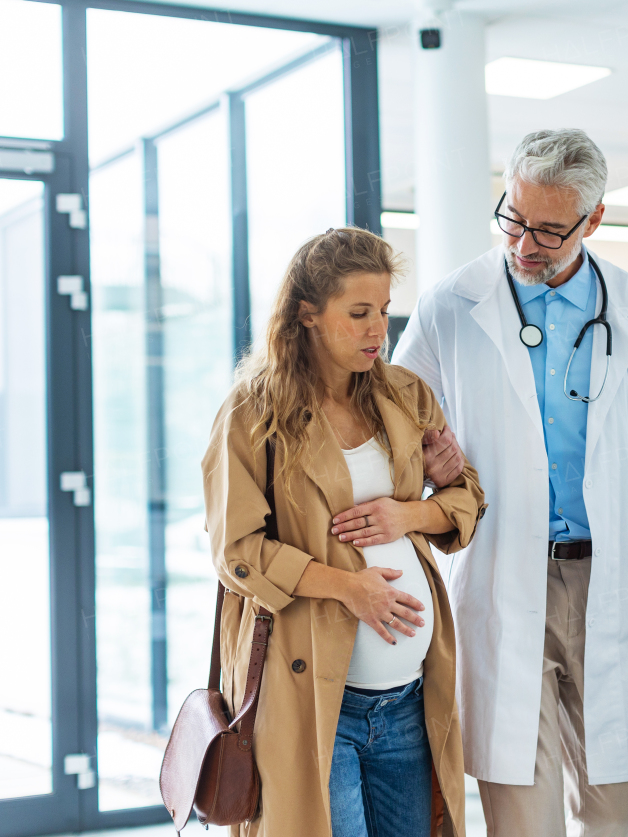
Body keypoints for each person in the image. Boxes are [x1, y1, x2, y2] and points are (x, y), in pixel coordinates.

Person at [393, 129, 628, 836]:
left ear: (593, 221)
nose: (524, 244)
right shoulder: (449, 307)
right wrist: (428, 477)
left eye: (549, 231)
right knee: (522, 816)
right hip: (499, 574)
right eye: (514, 219)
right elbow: (392, 429)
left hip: (608, 581)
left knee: (617, 808)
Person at [201, 227, 486, 837]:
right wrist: (350, 588)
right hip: (310, 702)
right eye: (358, 314)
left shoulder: (406, 395)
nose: (378, 331)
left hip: (410, 698)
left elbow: (467, 498)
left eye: (383, 312)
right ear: (307, 314)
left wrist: (412, 512)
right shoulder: (253, 412)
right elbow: (237, 550)